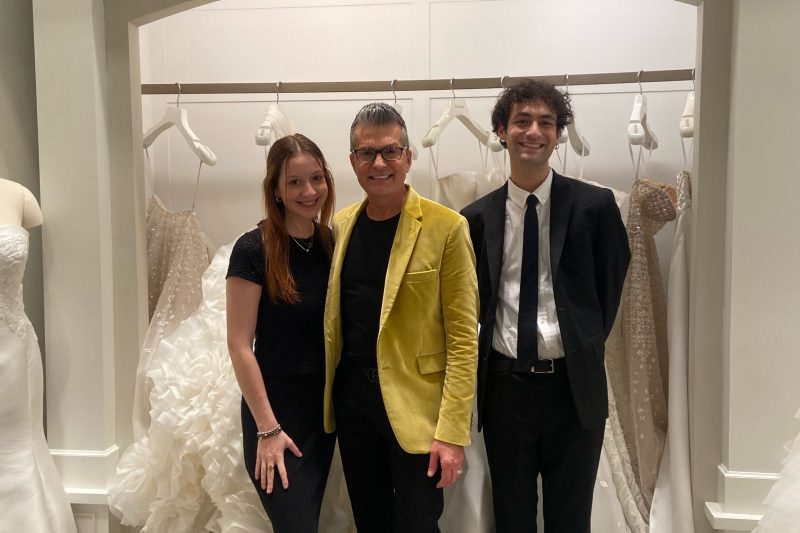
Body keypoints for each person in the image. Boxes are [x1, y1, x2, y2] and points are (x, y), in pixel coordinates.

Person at [461, 79, 630, 532]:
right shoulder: (475, 218)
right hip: (504, 389)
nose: (533, 131)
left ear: (558, 134)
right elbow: (472, 303)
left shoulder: (596, 207)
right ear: (501, 130)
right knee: (511, 516)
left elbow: (607, 291)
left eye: (546, 122)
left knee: (570, 517)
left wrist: (579, 346)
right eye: (522, 121)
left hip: (573, 390)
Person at [322, 102, 479, 532]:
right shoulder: (341, 224)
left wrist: (451, 433)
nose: (379, 163)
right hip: (353, 403)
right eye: (366, 153)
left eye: (390, 151)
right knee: (369, 520)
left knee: (418, 523)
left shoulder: (447, 227)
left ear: (409, 157)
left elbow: (465, 339)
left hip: (418, 409)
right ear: (352, 161)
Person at [226, 134, 337, 532]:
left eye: (317, 179)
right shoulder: (253, 249)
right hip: (274, 412)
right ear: (275, 188)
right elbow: (240, 346)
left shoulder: (332, 244)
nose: (309, 191)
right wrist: (268, 429)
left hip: (321, 414)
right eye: (294, 182)